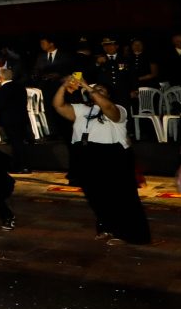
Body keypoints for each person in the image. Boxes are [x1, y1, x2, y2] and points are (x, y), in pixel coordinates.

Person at [52, 77, 148, 245]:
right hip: (86, 153)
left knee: (120, 196)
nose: (95, 92)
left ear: (109, 94)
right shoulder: (82, 109)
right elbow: (58, 105)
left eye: (101, 90)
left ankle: (129, 234)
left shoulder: (118, 108)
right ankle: (107, 227)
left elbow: (108, 107)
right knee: (95, 195)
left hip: (112, 155)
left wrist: (88, 86)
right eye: (94, 90)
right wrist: (64, 86)